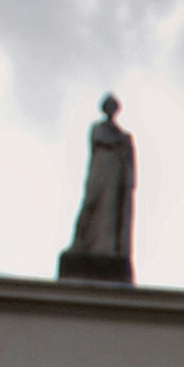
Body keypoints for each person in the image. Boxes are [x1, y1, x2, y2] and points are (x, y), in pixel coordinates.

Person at [56, 95, 136, 283]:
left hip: (115, 174)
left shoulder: (123, 135)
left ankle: (106, 247)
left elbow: (130, 164)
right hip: (100, 170)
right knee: (91, 202)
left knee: (110, 208)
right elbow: (101, 140)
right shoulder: (100, 129)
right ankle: (81, 243)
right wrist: (119, 143)